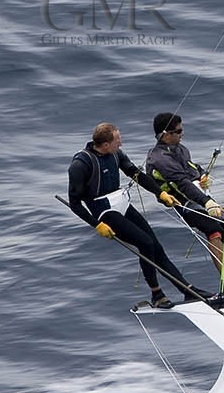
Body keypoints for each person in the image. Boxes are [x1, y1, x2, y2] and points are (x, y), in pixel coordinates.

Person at [68, 122, 202, 309]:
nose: (120, 144)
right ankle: (157, 294)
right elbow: (74, 203)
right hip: (105, 212)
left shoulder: (115, 154)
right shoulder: (81, 164)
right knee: (145, 244)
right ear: (105, 144)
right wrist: (96, 224)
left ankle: (188, 291)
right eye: (117, 141)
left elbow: (136, 174)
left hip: (121, 204)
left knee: (155, 246)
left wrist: (159, 193)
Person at [145, 112, 224, 266]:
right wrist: (207, 202)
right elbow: (182, 183)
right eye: (179, 131)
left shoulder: (180, 149)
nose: (182, 134)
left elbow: (193, 167)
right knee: (212, 228)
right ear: (166, 135)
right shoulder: (159, 158)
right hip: (183, 202)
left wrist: (202, 175)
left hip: (198, 195)